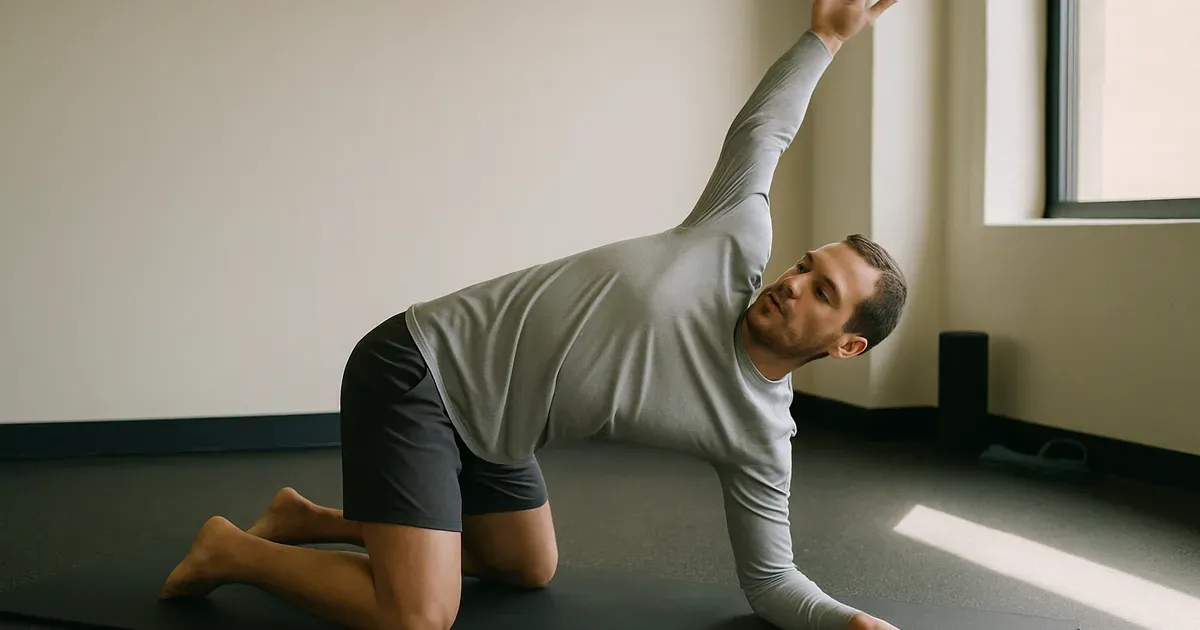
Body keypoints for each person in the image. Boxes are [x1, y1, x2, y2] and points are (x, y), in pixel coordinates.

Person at [159, 1, 907, 629]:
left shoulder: (759, 435)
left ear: (845, 346)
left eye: (823, 292)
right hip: (424, 367)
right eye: (806, 266)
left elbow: (772, 580)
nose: (794, 282)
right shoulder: (730, 238)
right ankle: (233, 550)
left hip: (499, 427)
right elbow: (764, 133)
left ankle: (305, 519)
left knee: (526, 566)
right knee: (419, 616)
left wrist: (846, 622)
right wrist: (828, 38)